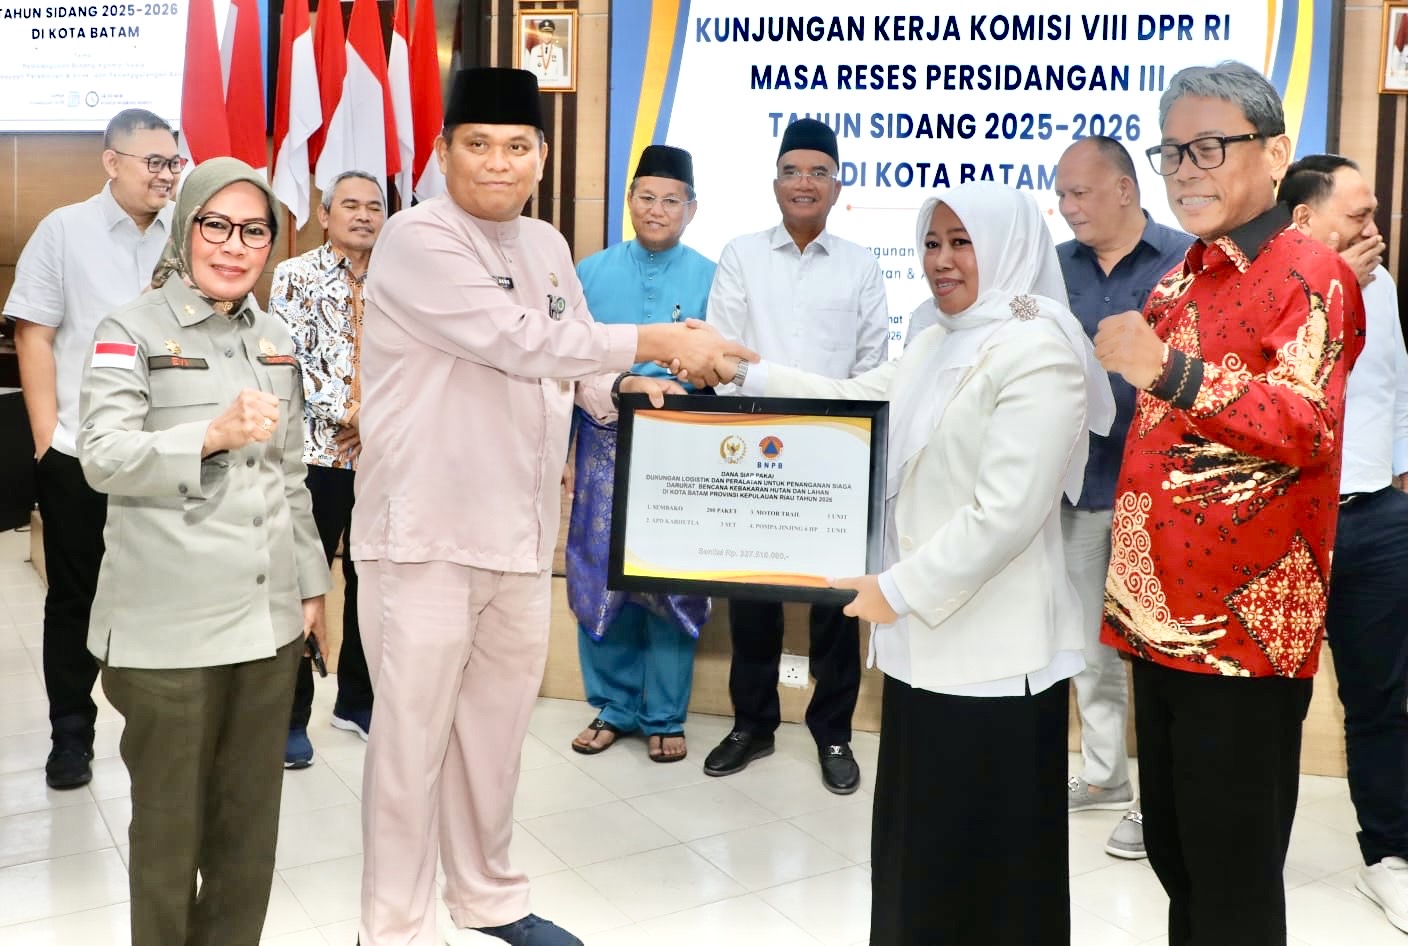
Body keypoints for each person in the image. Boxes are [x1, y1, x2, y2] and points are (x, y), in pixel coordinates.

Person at [351, 67, 754, 946]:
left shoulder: (543, 244)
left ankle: (488, 897)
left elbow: (570, 362)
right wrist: (659, 340)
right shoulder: (416, 238)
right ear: (443, 152)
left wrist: (627, 386)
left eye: (516, 146)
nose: (498, 163)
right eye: (478, 144)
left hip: (521, 533)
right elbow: (516, 339)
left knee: (494, 735)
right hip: (425, 534)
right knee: (411, 744)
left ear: (541, 156)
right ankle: (393, 927)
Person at [690, 181, 1113, 945]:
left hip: (994, 660)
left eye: (962, 242)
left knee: (988, 875)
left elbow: (1006, 514)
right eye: (932, 243)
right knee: (920, 856)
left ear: (1009, 246)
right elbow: (852, 398)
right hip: (922, 649)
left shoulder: (1040, 350)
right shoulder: (936, 337)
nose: (941, 260)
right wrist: (741, 373)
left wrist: (894, 589)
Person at [1095, 62, 1364, 944]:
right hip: (1157, 618)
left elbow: (1305, 424)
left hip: (1245, 632)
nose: (1185, 170)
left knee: (1233, 881)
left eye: (1209, 147)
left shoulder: (1312, 273)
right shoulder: (1179, 279)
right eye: (1172, 152)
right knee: (1176, 857)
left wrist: (1168, 371)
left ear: (1276, 153)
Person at [76, 157, 330, 946]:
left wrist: (311, 588)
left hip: (267, 625)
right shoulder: (130, 330)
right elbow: (103, 456)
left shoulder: (276, 339)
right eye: (215, 225)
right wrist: (210, 436)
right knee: (170, 837)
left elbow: (291, 474)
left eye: (254, 230)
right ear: (186, 228)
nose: (234, 245)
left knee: (247, 838)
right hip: (169, 636)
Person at [702, 117, 889, 794]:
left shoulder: (861, 264)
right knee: (751, 595)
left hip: (835, 452)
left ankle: (833, 732)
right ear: (775, 182)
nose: (803, 183)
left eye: (817, 172)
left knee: (836, 602)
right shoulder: (741, 254)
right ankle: (751, 724)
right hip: (753, 449)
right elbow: (721, 354)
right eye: (791, 171)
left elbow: (872, 364)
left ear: (837, 186)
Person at [4, 108, 178, 789]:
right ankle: (71, 735)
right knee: (75, 600)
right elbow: (35, 334)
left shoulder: (188, 232)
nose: (167, 176)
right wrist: (48, 443)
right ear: (112, 162)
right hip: (82, 453)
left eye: (174, 163)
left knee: (163, 596)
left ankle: (163, 733)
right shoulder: (63, 230)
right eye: (154, 162)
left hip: (166, 454)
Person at [1053, 135, 1192, 860]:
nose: (1068, 207)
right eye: (1061, 195)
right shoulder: (1052, 269)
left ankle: (1159, 802)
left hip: (1163, 493)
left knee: (1160, 650)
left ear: (1125, 191)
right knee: (1089, 645)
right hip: (1081, 487)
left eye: (1080, 193)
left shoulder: (1184, 261)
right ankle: (1106, 776)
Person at [1280, 154, 1408, 932]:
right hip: (1290, 522)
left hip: (1375, 519)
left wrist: (1398, 480)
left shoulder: (1380, 284)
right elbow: (1276, 388)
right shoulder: (1269, 288)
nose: (1375, 229)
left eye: (1374, 213)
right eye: (1358, 215)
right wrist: (1333, 287)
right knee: (1269, 704)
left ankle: (1389, 856)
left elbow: (1392, 383)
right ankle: (1244, 850)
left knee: (1381, 698)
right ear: (1305, 220)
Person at [568, 145, 714, 763]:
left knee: (672, 578)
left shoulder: (714, 277)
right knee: (600, 574)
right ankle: (613, 705)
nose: (657, 210)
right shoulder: (588, 272)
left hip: (682, 446)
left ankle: (665, 714)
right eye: (646, 197)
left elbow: (730, 364)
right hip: (603, 440)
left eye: (670, 200)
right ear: (628, 201)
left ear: (691, 209)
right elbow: (565, 363)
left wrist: (694, 385)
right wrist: (570, 449)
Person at [269, 169, 385, 768]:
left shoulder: (401, 278)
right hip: (317, 455)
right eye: (351, 205)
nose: (363, 215)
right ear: (325, 214)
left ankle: (357, 701)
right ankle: (292, 717)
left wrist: (381, 420)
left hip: (385, 459)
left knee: (373, 581)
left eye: (374, 206)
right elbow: (290, 360)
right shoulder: (295, 275)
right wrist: (356, 413)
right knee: (304, 581)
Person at [525, 19, 565, 83]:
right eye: (545, 33)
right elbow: (532, 71)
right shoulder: (534, 51)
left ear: (552, 34)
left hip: (554, 85)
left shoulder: (558, 51)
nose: (547, 36)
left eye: (549, 33)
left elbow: (560, 73)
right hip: (538, 84)